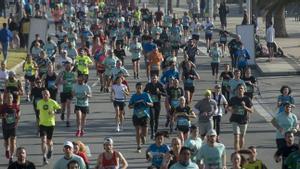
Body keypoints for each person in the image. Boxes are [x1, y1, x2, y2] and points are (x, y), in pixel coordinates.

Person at [37, 89, 61, 164]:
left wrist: (54, 111)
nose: (45, 95)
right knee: (43, 140)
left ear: (49, 95)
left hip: (51, 124)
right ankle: (44, 156)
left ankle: (50, 149)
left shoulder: (53, 102)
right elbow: (38, 112)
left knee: (49, 141)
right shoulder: (39, 102)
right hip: (42, 124)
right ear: (42, 95)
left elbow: (59, 109)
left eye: (47, 94)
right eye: (44, 94)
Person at [128, 82, 153, 153]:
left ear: (142, 88)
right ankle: (138, 146)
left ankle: (143, 136)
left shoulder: (146, 95)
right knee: (137, 131)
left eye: (140, 88)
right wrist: (135, 105)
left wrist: (146, 103)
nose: (139, 89)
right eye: (138, 88)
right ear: (136, 88)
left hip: (145, 115)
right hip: (136, 115)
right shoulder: (134, 96)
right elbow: (129, 106)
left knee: (145, 133)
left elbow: (152, 104)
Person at [227, 84, 253, 151]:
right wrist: (231, 110)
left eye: (241, 88)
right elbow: (227, 107)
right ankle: (237, 153)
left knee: (242, 137)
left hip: (244, 121)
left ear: (244, 90)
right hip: (235, 120)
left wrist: (245, 107)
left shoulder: (247, 99)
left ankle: (240, 151)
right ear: (236, 90)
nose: (240, 90)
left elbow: (251, 111)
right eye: (239, 88)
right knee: (236, 137)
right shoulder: (233, 99)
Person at [144, 75, 166, 139]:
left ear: (157, 79)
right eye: (153, 78)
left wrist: (159, 92)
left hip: (157, 103)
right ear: (151, 79)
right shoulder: (148, 85)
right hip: (151, 104)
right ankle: (152, 132)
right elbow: (144, 93)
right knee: (152, 118)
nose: (154, 79)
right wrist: (147, 93)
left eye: (155, 78)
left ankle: (155, 131)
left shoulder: (159, 85)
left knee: (156, 118)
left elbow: (165, 94)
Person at [2, 93, 20, 165]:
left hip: (13, 127)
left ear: (12, 99)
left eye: (11, 97)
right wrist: (3, 116)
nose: (9, 99)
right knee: (6, 142)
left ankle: (11, 157)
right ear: (5, 99)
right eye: (8, 98)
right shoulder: (3, 107)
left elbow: (19, 113)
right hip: (5, 126)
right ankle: (7, 150)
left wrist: (18, 116)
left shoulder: (15, 106)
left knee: (13, 140)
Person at [56, 61, 76, 126]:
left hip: (70, 91)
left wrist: (75, 90)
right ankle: (62, 113)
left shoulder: (73, 74)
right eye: (67, 66)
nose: (68, 67)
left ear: (71, 66)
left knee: (68, 105)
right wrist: (62, 82)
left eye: (69, 66)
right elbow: (56, 82)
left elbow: (76, 81)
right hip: (63, 91)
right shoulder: (62, 73)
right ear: (65, 66)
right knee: (63, 107)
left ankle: (68, 120)